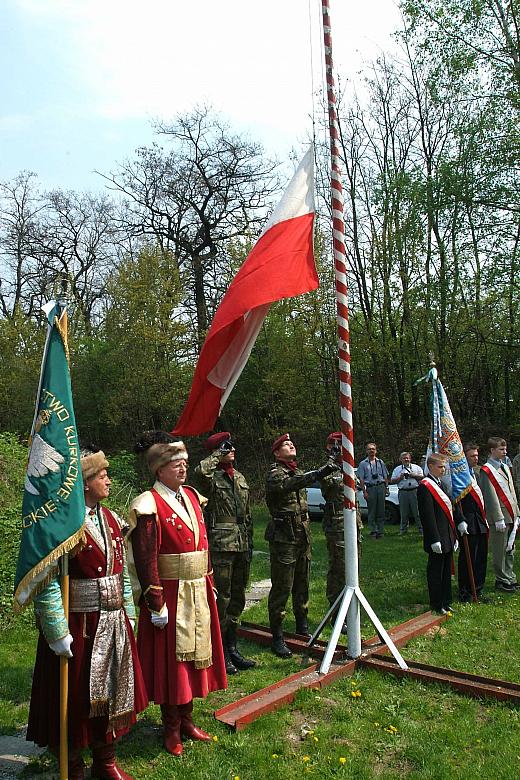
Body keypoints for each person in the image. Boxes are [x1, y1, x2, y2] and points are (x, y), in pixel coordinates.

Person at [27, 448, 147, 780]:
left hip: (113, 620)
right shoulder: (64, 526)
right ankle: (74, 765)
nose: (108, 479)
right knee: (77, 698)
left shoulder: (111, 519)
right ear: (84, 484)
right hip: (79, 625)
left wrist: (130, 613)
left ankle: (105, 762)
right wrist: (55, 629)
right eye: (101, 475)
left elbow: (121, 573)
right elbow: (47, 580)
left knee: (110, 692)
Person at [129, 432, 226, 757]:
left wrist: (209, 580)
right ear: (159, 469)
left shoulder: (193, 496)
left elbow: (204, 544)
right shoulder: (148, 504)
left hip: (197, 589)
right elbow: (145, 557)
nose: (183, 469)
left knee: (193, 659)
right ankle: (170, 726)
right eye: (175, 464)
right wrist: (155, 602)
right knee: (172, 663)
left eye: (185, 463)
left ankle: (187, 719)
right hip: (170, 593)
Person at [265, 433, 336, 658]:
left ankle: (302, 626)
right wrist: (322, 470)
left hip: (302, 535)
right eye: (285, 444)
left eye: (292, 442)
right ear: (277, 453)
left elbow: (301, 481)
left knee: (302, 583)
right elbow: (292, 485)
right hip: (284, 537)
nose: (291, 444)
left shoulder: (296, 471)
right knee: (282, 587)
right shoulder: (276, 473)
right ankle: (277, 635)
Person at [194, 431, 255, 676]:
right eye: (225, 447)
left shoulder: (239, 477)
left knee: (238, 596)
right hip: (221, 543)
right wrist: (217, 454)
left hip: (241, 542)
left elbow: (248, 514)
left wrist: (249, 543)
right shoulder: (212, 476)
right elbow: (199, 473)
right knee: (223, 597)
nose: (232, 450)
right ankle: (220, 652)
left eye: (231, 446)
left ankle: (233, 646)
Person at [320, 432, 362, 634]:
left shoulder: (348, 467)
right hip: (337, 526)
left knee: (354, 568)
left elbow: (359, 486)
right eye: (338, 446)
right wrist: (331, 459)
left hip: (354, 524)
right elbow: (327, 487)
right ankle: (336, 614)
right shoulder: (328, 469)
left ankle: (351, 612)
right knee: (339, 570)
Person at [417, 453, 460, 615]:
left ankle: (446, 600)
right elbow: (427, 515)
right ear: (430, 467)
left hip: (447, 536)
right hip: (437, 537)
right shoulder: (425, 486)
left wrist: (453, 535)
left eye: (444, 467)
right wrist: (434, 538)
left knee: (446, 572)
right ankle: (436, 603)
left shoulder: (441, 484)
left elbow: (449, 511)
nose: (443, 470)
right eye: (440, 467)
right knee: (436, 572)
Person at [479, 437, 519, 593]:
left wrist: (517, 512)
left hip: (511, 514)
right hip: (500, 516)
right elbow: (490, 496)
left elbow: (511, 490)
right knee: (500, 549)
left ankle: (510, 576)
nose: (505, 452)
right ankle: (501, 579)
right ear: (492, 450)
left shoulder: (505, 467)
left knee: (510, 548)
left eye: (505, 449)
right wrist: (497, 517)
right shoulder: (487, 470)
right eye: (501, 449)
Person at [357, 443, 389, 538]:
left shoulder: (380, 462)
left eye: (373, 449)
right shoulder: (363, 464)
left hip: (381, 487)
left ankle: (381, 530)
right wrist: (364, 492)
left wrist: (386, 488)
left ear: (376, 451)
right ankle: (373, 530)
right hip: (370, 488)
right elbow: (361, 479)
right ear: (366, 451)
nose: (371, 451)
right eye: (369, 449)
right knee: (372, 510)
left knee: (381, 510)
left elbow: (385, 476)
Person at [390, 452, 423, 535]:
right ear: (401, 459)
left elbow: (423, 477)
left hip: (414, 491)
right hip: (403, 492)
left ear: (410, 458)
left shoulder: (416, 467)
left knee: (417, 512)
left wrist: (414, 475)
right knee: (403, 512)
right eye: (404, 458)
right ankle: (403, 530)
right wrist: (400, 477)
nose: (406, 459)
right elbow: (392, 480)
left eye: (407, 458)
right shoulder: (397, 469)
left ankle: (421, 529)